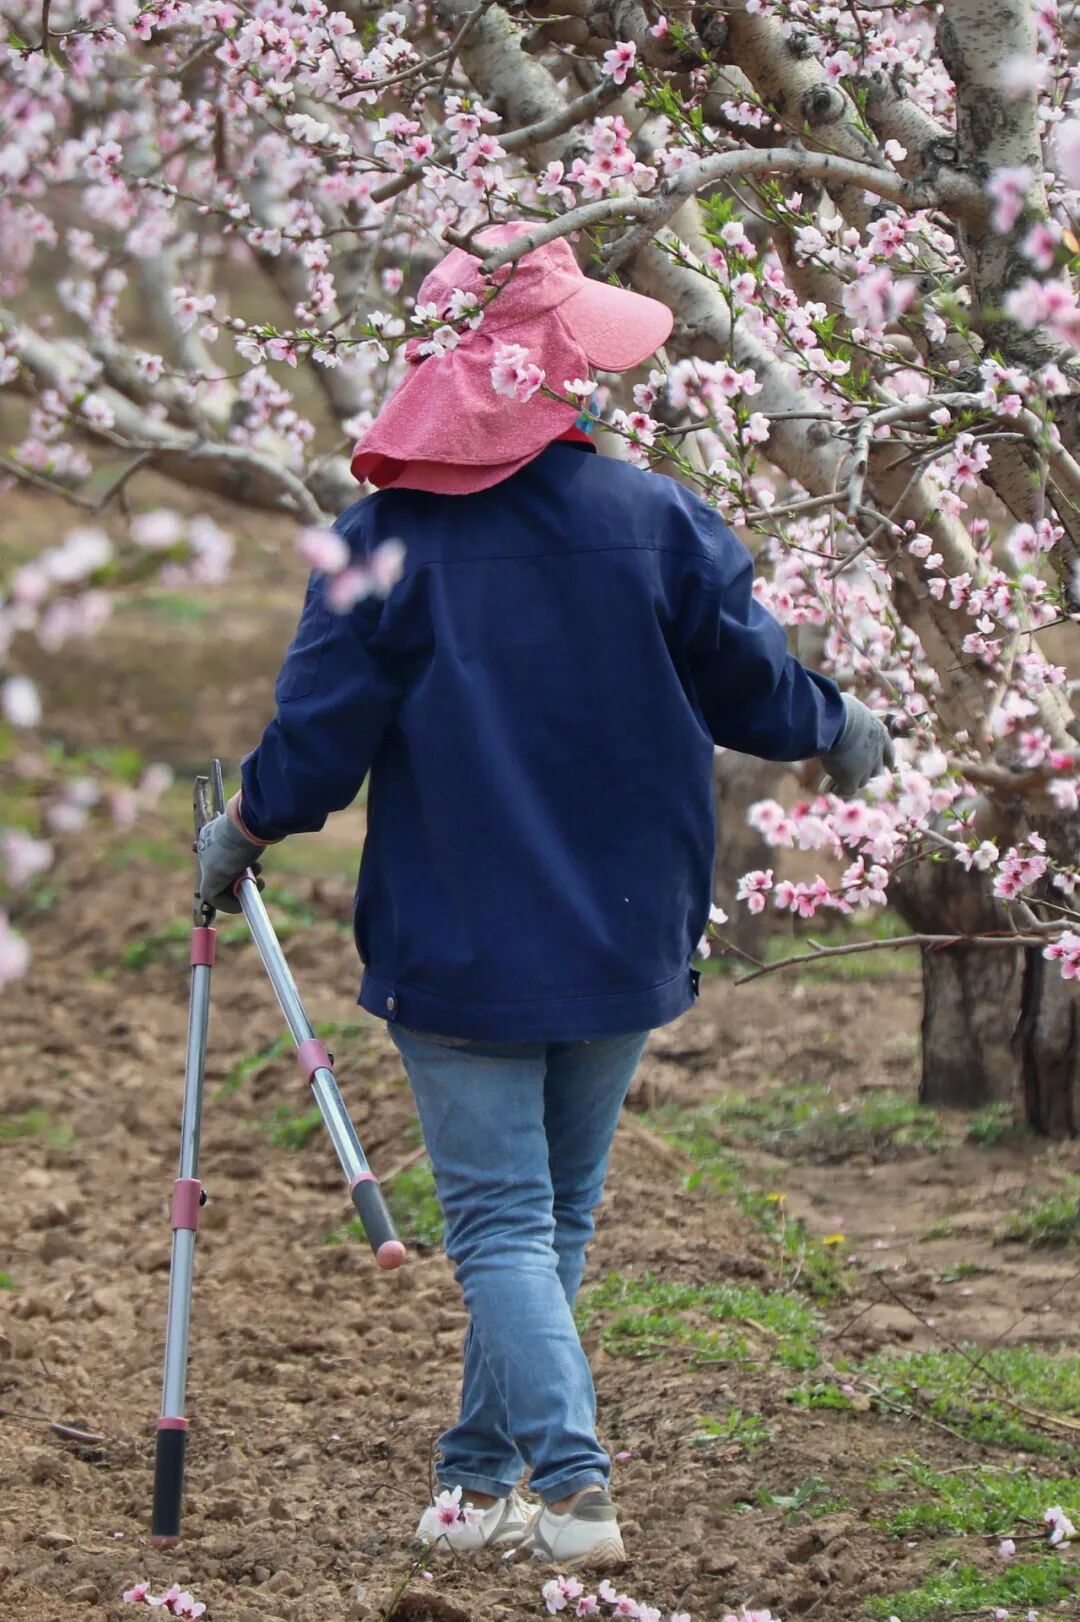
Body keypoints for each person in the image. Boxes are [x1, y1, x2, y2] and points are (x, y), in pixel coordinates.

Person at [196, 221, 892, 1572]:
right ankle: (474, 1483)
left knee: (505, 1226)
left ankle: (572, 1488)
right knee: (550, 1220)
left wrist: (242, 828)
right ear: (562, 373)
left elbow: (319, 746)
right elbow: (756, 692)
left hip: (461, 939)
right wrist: (842, 721)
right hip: (627, 924)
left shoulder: (383, 542)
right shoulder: (656, 521)